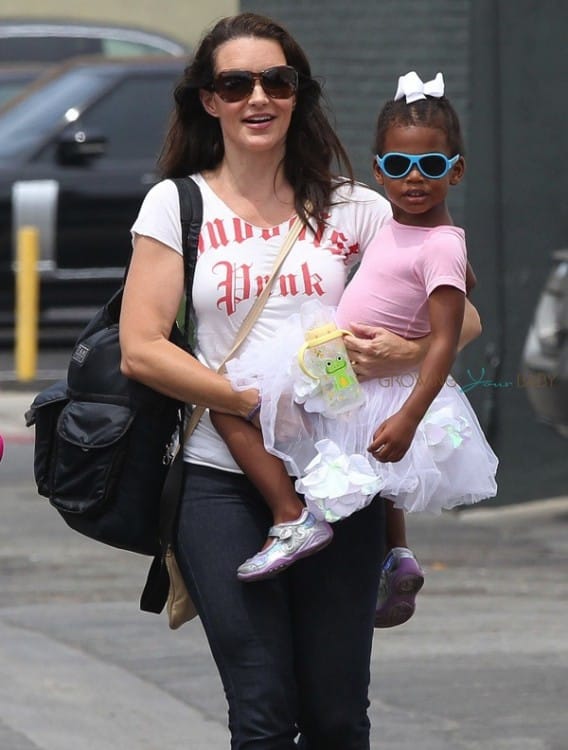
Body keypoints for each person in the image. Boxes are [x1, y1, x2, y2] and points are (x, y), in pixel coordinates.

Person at [120, 13, 481, 749]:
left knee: (336, 717)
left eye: (276, 81)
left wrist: (397, 353)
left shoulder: (358, 205)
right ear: (209, 100)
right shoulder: (177, 204)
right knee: (261, 714)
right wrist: (238, 400)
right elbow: (141, 348)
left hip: (339, 479)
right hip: (220, 476)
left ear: (297, 95)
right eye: (236, 82)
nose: (259, 97)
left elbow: (463, 317)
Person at [213, 70, 498, 630]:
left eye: (431, 167)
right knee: (375, 473)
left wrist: (411, 415)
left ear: (456, 171)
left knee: (233, 402)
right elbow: (461, 281)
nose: (413, 179)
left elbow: (447, 336)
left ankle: (291, 516)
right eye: (397, 167)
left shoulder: (438, 241)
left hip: (361, 376)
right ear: (378, 172)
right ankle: (397, 554)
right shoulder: (399, 222)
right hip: (343, 363)